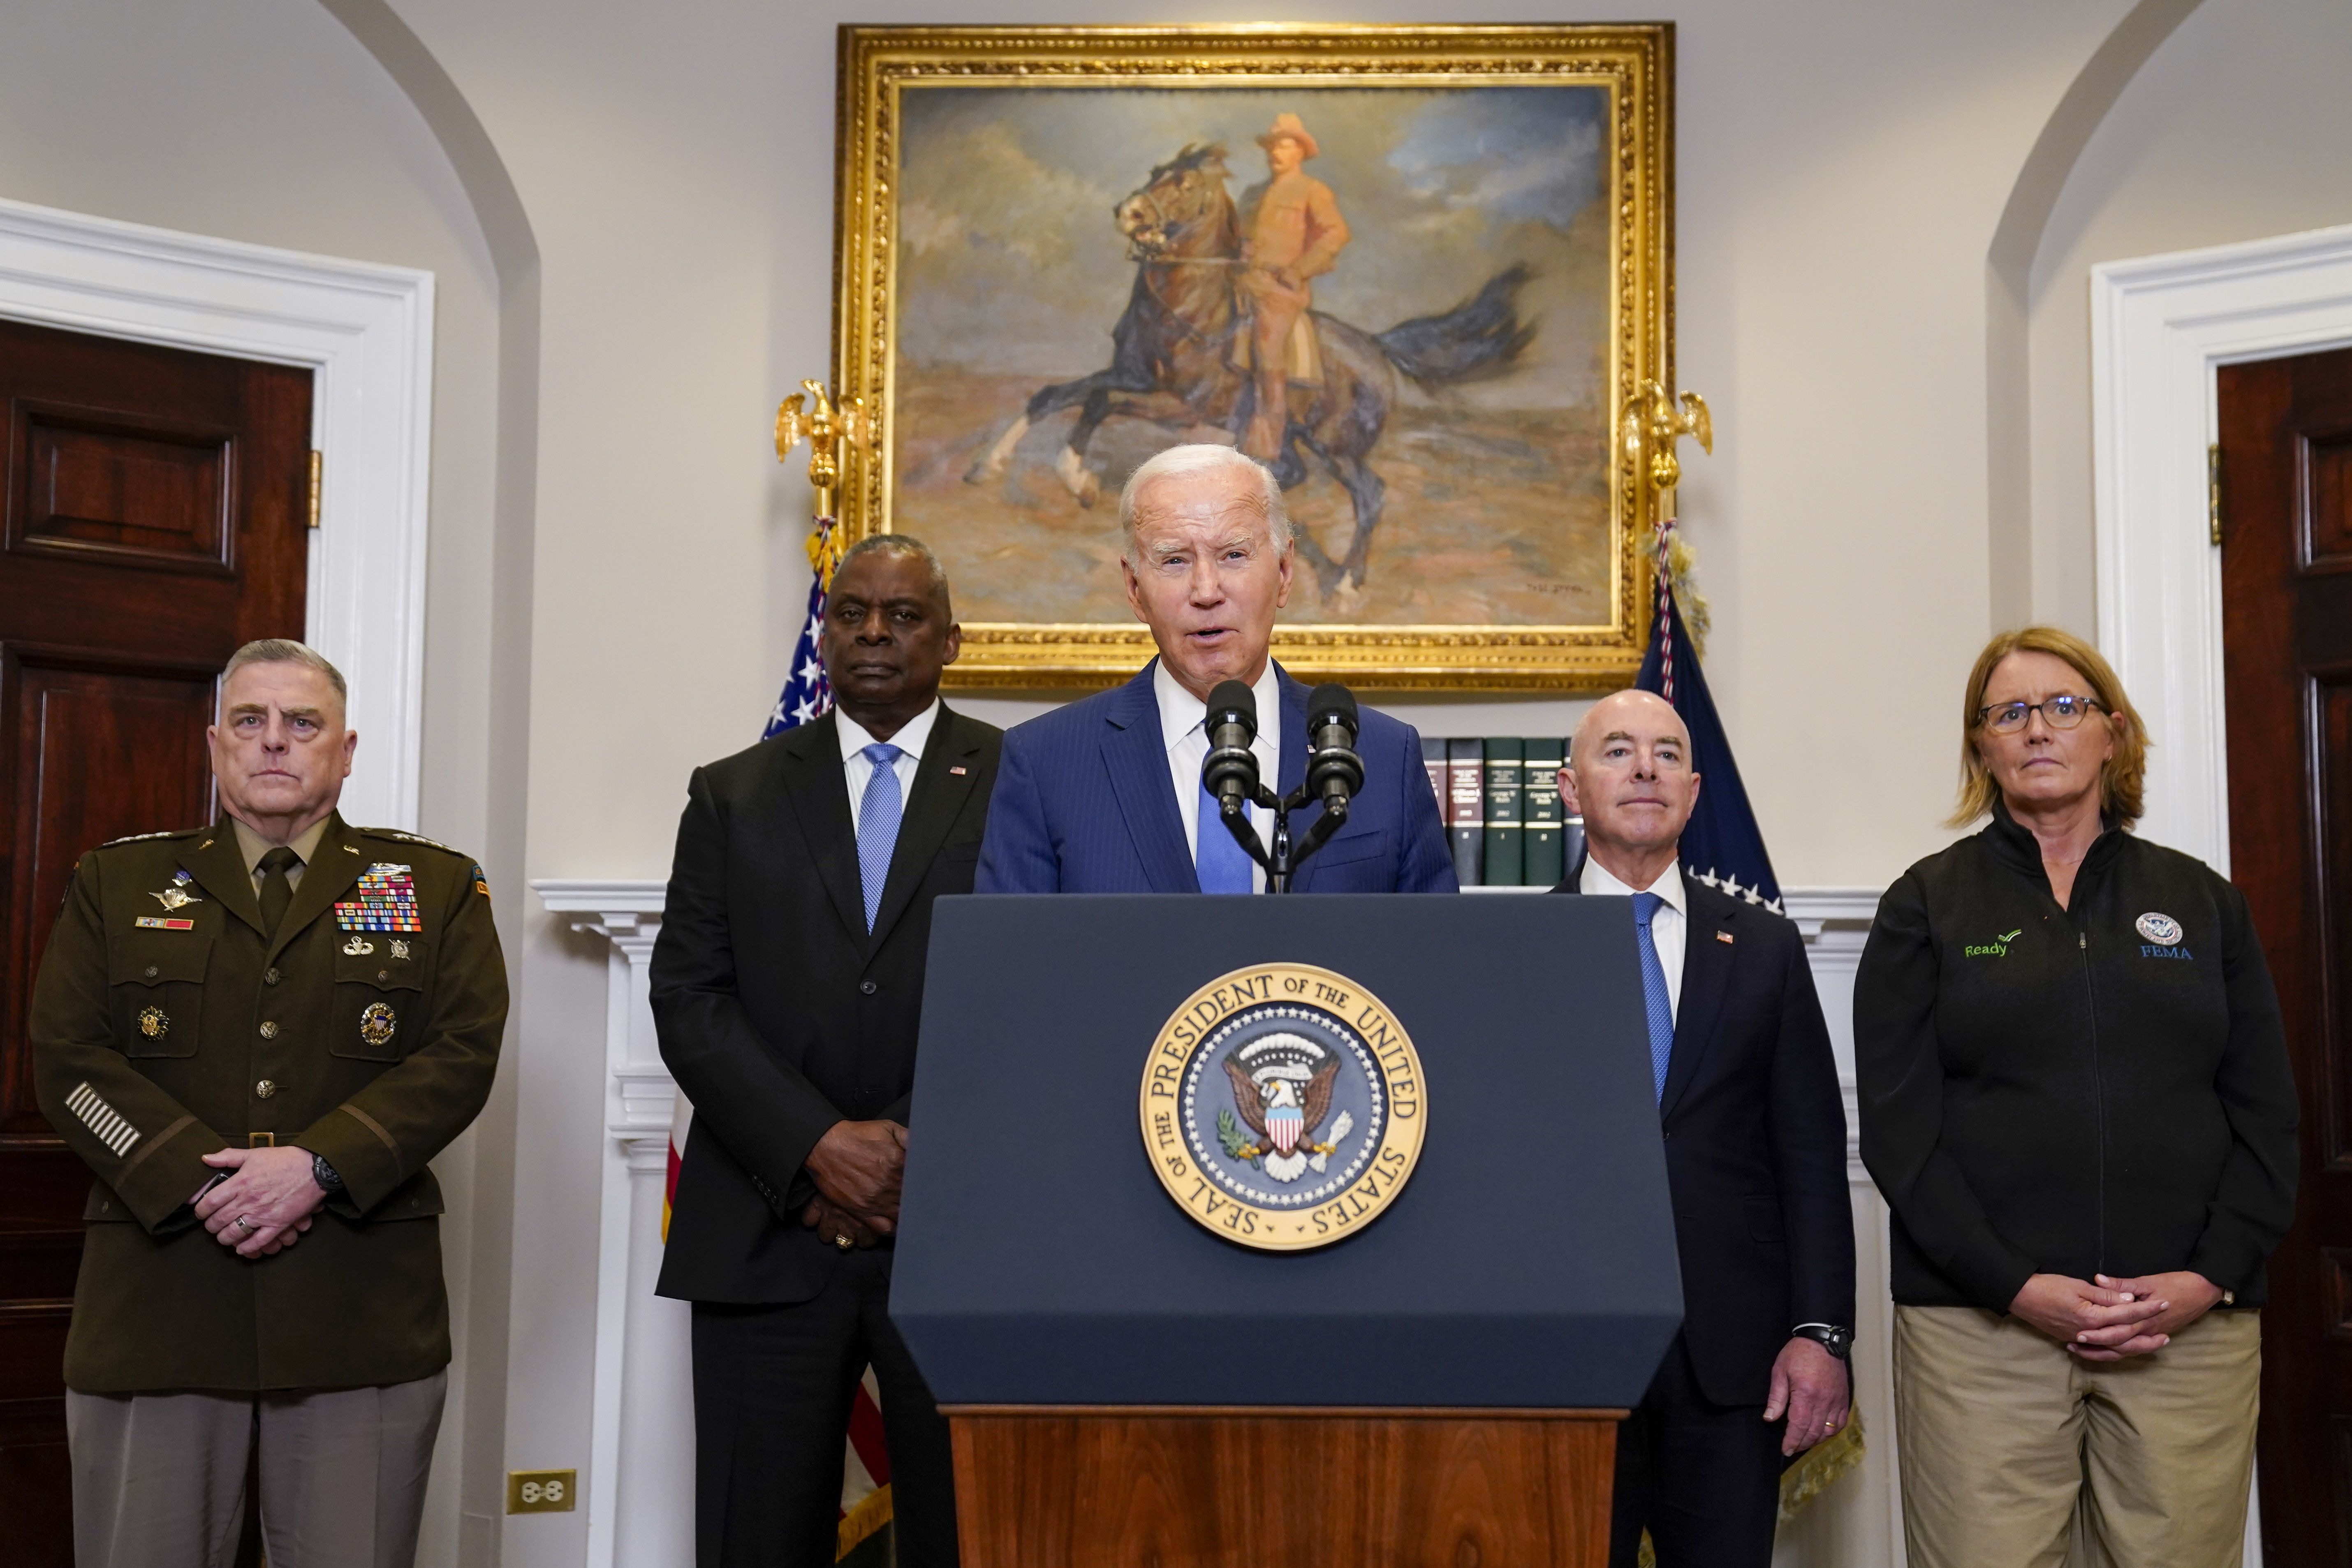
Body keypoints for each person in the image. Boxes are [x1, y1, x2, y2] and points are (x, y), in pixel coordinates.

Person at [30, 639, 506, 1568]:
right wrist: (200, 1183)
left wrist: (319, 1165)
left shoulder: (435, 887)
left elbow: (460, 1054)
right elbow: (68, 1057)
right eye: (250, 721)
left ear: (347, 747)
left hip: (356, 1305)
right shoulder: (117, 883)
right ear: (215, 745)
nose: (275, 742)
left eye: (303, 722)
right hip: (158, 1305)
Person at [1856, 625, 2298, 1568]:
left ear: (2114, 732)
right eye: (2007, 712)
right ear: (1981, 746)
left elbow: (2267, 1115)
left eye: (2064, 705)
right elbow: (1901, 1132)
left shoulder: (2204, 902)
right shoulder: (1925, 904)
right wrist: (2013, 1285)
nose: (2037, 728)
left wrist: (2206, 1276)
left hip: (2184, 1327)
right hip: (1979, 1332)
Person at [651, 535, 999, 1568]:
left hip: (959, 1234)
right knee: (754, 1534)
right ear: (825, 628)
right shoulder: (733, 791)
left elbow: (1034, 1002)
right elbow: (690, 1000)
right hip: (769, 1227)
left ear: (951, 636)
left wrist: (907, 1154)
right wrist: (816, 1146)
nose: (876, 633)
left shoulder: (1020, 782)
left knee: (976, 1534)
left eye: (903, 614)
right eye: (852, 613)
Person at [1547, 689, 1854, 1568]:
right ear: (1571, 788)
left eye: (1665, 753)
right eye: (1616, 750)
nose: (1644, 767)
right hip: (1569, 1356)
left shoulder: (1762, 946)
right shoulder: (1519, 945)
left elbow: (1808, 1153)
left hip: (1733, 1365)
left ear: (1692, 790)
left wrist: (1822, 1331)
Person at [975, 442, 1451, 895]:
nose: (1206, 591)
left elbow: (1434, 961)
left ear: (1285, 573)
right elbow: (1009, 966)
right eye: (1175, 560)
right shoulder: (1044, 761)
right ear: (1135, 588)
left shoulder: (1385, 753)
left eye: (1233, 555)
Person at [1238, 112, 1349, 461]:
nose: (1276, 153)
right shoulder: (1252, 194)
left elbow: (1337, 234)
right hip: (1242, 281)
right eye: (1272, 146)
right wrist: (1240, 249)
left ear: (1300, 152)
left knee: (1268, 349)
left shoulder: (1312, 191)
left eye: (1284, 146)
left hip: (1279, 291)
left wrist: (1300, 270)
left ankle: (1269, 443)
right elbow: (1238, 237)